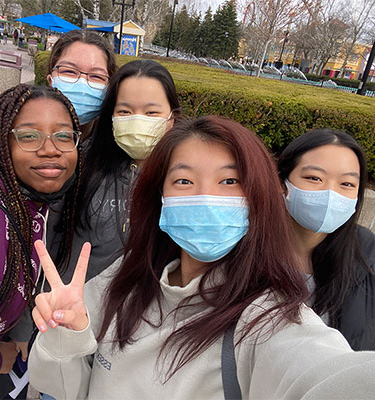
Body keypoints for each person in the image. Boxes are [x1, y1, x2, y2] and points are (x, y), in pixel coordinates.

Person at [29, 116, 375, 399]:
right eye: (183, 180)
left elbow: (325, 372)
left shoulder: (267, 320)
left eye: (229, 180)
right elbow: (64, 389)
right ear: (159, 194)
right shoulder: (126, 278)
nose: (206, 196)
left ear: (258, 197)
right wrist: (67, 335)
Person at [0, 84, 82, 399]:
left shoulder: (28, 205)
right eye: (29, 135)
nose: (50, 149)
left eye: (63, 136)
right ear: (1, 143)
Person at [47, 59, 180, 288]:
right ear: (112, 116)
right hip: (67, 306)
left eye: (151, 112)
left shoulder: (185, 181)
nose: (137, 120)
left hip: (137, 314)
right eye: (125, 111)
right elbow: (50, 235)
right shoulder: (84, 164)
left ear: (171, 118)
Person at [278, 128, 375, 350]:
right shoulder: (245, 250)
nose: (331, 193)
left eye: (347, 184)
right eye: (314, 178)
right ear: (282, 184)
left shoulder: (369, 257)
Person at [47, 30, 117, 139]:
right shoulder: (22, 129)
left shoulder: (115, 146)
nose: (82, 84)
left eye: (96, 76)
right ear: (50, 79)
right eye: (69, 71)